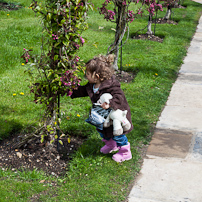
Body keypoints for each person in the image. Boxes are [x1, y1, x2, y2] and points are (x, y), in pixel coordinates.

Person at [71, 54, 133, 162]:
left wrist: (110, 103)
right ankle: (111, 145)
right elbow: (82, 91)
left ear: (97, 76)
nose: (86, 75)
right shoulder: (92, 85)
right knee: (103, 130)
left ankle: (125, 152)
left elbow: (120, 97)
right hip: (103, 116)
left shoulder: (111, 85)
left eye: (88, 74)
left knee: (118, 134)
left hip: (116, 115)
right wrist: (70, 91)